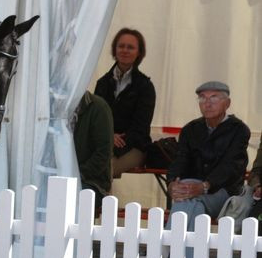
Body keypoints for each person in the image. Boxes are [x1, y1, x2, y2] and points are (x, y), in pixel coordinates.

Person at [167, 81, 250, 231]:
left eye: (214, 98)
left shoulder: (239, 130)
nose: (207, 103)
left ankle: (168, 251)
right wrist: (173, 182)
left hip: (224, 191)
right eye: (202, 98)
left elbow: (231, 167)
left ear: (227, 103)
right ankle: (188, 255)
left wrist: (204, 186)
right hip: (192, 187)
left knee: (187, 201)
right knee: (194, 205)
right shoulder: (190, 129)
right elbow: (180, 159)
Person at [94, 28, 156, 177]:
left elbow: (141, 126)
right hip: (104, 144)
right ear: (115, 50)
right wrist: (109, 136)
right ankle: (99, 200)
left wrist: (115, 139)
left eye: (130, 47)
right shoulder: (102, 83)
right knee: (89, 165)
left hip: (134, 147)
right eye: (121, 46)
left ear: (139, 53)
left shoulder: (145, 86)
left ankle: (101, 201)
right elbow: (96, 118)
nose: (125, 50)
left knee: (104, 169)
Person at [72, 91, 114, 208]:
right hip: (64, 178)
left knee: (75, 198)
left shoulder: (98, 108)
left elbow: (103, 154)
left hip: (93, 182)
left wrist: (78, 174)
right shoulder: (56, 107)